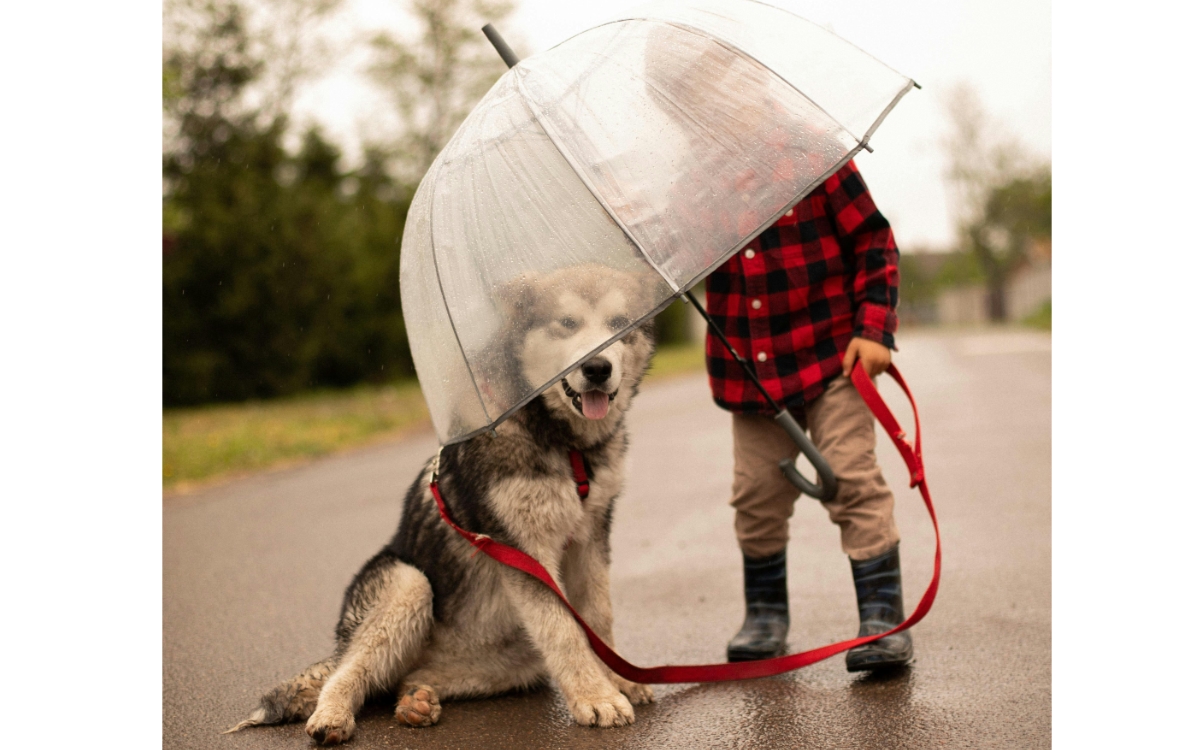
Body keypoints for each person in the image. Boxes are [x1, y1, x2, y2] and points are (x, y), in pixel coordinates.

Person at [706, 159, 911, 671]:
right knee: (756, 494)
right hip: (751, 372)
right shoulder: (694, 186)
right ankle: (766, 613)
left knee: (850, 477)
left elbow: (874, 241)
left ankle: (883, 618)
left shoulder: (815, 160)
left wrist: (875, 327)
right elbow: (673, 259)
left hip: (832, 355)